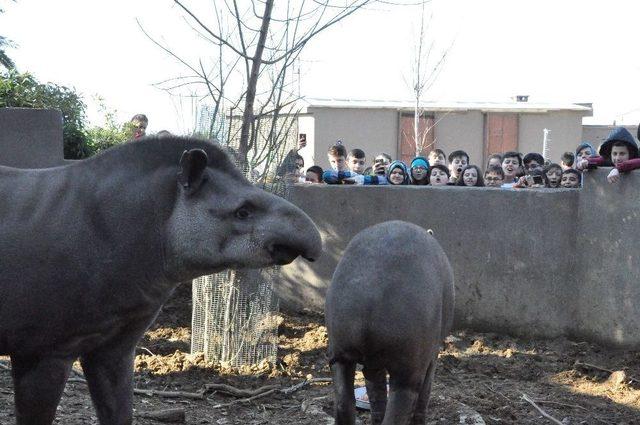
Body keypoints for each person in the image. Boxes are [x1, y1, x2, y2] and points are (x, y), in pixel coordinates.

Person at [576, 127, 640, 184]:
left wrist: (617, 169)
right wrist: (586, 161)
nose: (617, 158)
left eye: (622, 154)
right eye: (614, 154)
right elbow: (600, 159)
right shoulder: (609, 159)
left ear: (631, 154)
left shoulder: (634, 162)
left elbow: (637, 161)